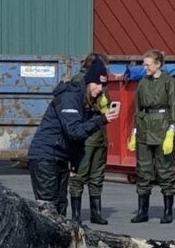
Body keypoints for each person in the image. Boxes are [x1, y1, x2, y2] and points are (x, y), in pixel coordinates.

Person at [25, 57, 117, 212]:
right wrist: (100, 120)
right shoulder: (70, 97)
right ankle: (47, 236)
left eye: (103, 84)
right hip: (45, 156)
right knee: (48, 206)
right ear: (88, 81)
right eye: (97, 83)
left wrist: (75, 162)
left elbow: (79, 138)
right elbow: (73, 131)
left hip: (60, 157)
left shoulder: (85, 100)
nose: (100, 88)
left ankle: (60, 235)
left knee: (61, 204)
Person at [129, 49, 175, 224]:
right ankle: (143, 211)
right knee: (143, 170)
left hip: (162, 127)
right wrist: (134, 133)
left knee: (166, 170)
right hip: (144, 128)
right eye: (144, 65)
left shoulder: (169, 83)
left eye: (147, 64)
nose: (145, 68)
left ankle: (167, 211)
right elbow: (137, 109)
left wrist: (171, 131)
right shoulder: (143, 83)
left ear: (158, 64)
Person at [72, 54, 112, 223]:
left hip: (99, 132)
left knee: (97, 174)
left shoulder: (100, 82)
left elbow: (106, 101)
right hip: (86, 133)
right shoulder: (79, 81)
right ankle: (76, 215)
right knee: (80, 174)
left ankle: (96, 213)